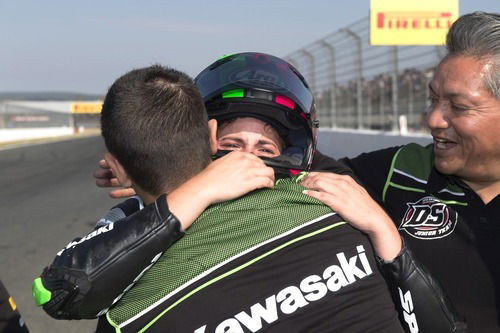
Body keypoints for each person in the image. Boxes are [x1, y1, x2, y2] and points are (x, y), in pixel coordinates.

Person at [34, 54, 466, 332]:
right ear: (205, 143)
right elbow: (62, 288)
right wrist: (176, 187)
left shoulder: (328, 191)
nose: (248, 162)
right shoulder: (139, 218)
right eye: (231, 149)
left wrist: (383, 230)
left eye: (265, 150)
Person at [301, 11, 500, 333]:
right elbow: (295, 175)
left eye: (458, 107)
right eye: (432, 100)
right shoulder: (401, 171)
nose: (433, 119)